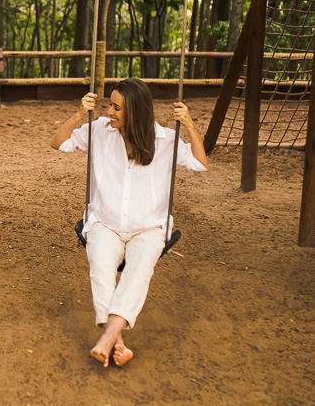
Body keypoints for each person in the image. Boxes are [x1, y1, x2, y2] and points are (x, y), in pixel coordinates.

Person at [50, 78, 208, 368]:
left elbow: (200, 162)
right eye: (110, 104)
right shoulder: (99, 130)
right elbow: (58, 143)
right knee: (100, 266)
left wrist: (189, 125)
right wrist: (77, 114)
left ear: (134, 111)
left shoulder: (165, 140)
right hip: (105, 223)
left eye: (116, 107)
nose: (109, 111)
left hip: (148, 227)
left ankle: (109, 336)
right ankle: (116, 340)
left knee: (138, 269)